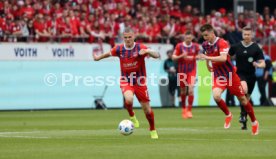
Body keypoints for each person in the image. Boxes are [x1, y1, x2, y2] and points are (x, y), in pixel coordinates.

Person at [93, 27, 160, 139]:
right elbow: (108, 54)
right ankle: (132, 115)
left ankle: (152, 129)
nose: (128, 39)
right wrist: (98, 58)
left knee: (147, 110)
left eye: (130, 37)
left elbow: (157, 55)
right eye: (125, 37)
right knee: (128, 99)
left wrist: (148, 51)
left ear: (134, 36)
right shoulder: (119, 49)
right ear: (123, 38)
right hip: (126, 80)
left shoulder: (140, 47)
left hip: (140, 82)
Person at [198, 24, 259, 135]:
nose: (205, 38)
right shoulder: (205, 44)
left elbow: (223, 58)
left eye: (206, 35)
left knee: (243, 100)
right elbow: (207, 53)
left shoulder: (222, 42)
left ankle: (254, 122)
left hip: (230, 75)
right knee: (216, 96)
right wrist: (208, 64)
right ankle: (228, 114)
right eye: (203, 36)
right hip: (218, 75)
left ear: (212, 33)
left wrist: (207, 58)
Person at [228, 27, 265, 130]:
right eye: (245, 34)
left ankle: (243, 118)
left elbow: (263, 63)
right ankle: (243, 116)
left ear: (251, 35)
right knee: (244, 90)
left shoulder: (256, 47)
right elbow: (226, 57)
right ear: (242, 35)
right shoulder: (236, 46)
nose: (247, 36)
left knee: (246, 100)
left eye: (248, 34)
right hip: (239, 75)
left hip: (251, 76)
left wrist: (258, 64)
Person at [172, 31, 200, 119]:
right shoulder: (179, 46)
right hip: (182, 71)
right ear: (184, 38)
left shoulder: (195, 46)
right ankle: (183, 109)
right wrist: (181, 56)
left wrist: (196, 57)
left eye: (189, 38)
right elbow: (173, 57)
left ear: (192, 38)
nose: (188, 39)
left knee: (191, 90)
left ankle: (189, 110)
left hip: (192, 70)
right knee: (183, 91)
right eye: (186, 38)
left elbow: (199, 56)